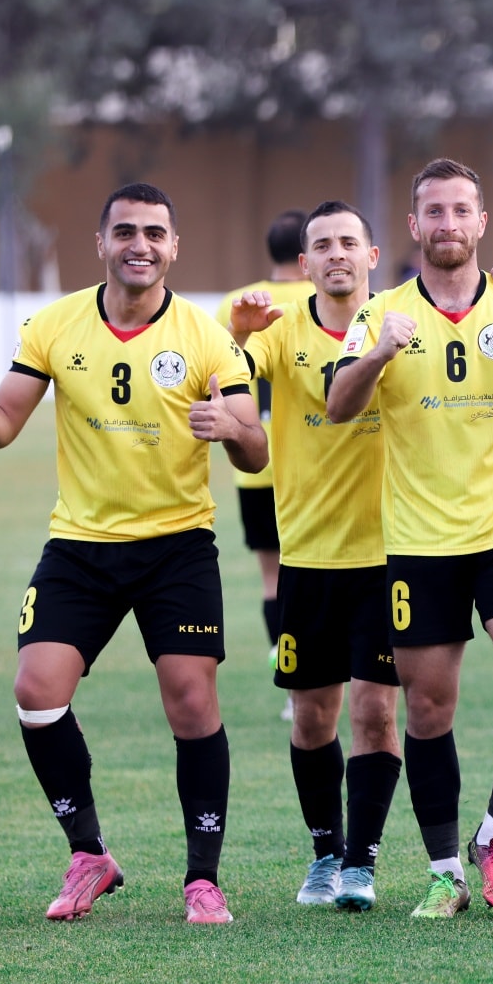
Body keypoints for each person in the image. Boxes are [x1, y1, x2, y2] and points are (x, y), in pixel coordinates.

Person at [0, 182, 266, 924]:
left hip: (177, 547)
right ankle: (89, 853)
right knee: (37, 693)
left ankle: (203, 878)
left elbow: (257, 452)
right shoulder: (54, 324)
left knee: (192, 701)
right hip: (81, 545)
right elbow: (3, 427)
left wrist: (230, 429)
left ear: (173, 246)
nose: (141, 245)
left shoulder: (205, 337)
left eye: (155, 233)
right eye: (125, 231)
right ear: (100, 244)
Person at [326, 158, 493, 918]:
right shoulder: (379, 311)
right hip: (419, 540)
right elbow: (339, 404)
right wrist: (380, 352)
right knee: (427, 711)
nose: (448, 224)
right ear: (413, 227)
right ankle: (445, 870)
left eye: (461, 211)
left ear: (481, 223)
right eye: (434, 213)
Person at [225, 201, 402, 909]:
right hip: (306, 552)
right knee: (310, 717)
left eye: (347, 243)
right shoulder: (281, 329)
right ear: (303, 265)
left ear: (372, 256)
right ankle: (324, 853)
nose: (335, 254)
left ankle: (360, 862)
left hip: (390, 553)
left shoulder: (397, 322)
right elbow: (226, 369)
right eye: (321, 245)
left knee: (376, 715)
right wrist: (235, 336)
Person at [215, 209, 313, 715]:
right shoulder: (327, 299)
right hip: (317, 462)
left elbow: (219, 371)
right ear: (307, 252)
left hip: (253, 465)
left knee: (273, 577)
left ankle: (289, 671)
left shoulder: (237, 304)